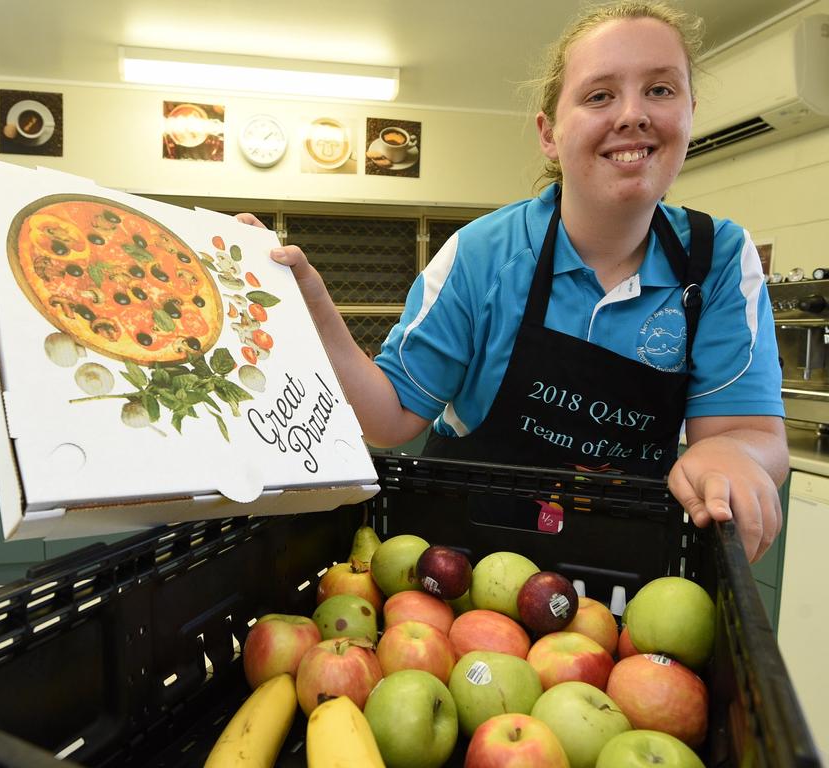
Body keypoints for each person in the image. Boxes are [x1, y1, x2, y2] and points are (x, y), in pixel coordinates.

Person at [237, 0, 787, 562]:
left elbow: (749, 432)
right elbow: (391, 418)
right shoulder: (480, 256)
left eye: (661, 90)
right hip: (457, 577)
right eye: (599, 95)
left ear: (691, 111)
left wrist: (733, 457)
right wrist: (315, 312)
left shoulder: (718, 259)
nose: (632, 114)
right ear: (549, 133)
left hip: (621, 597)